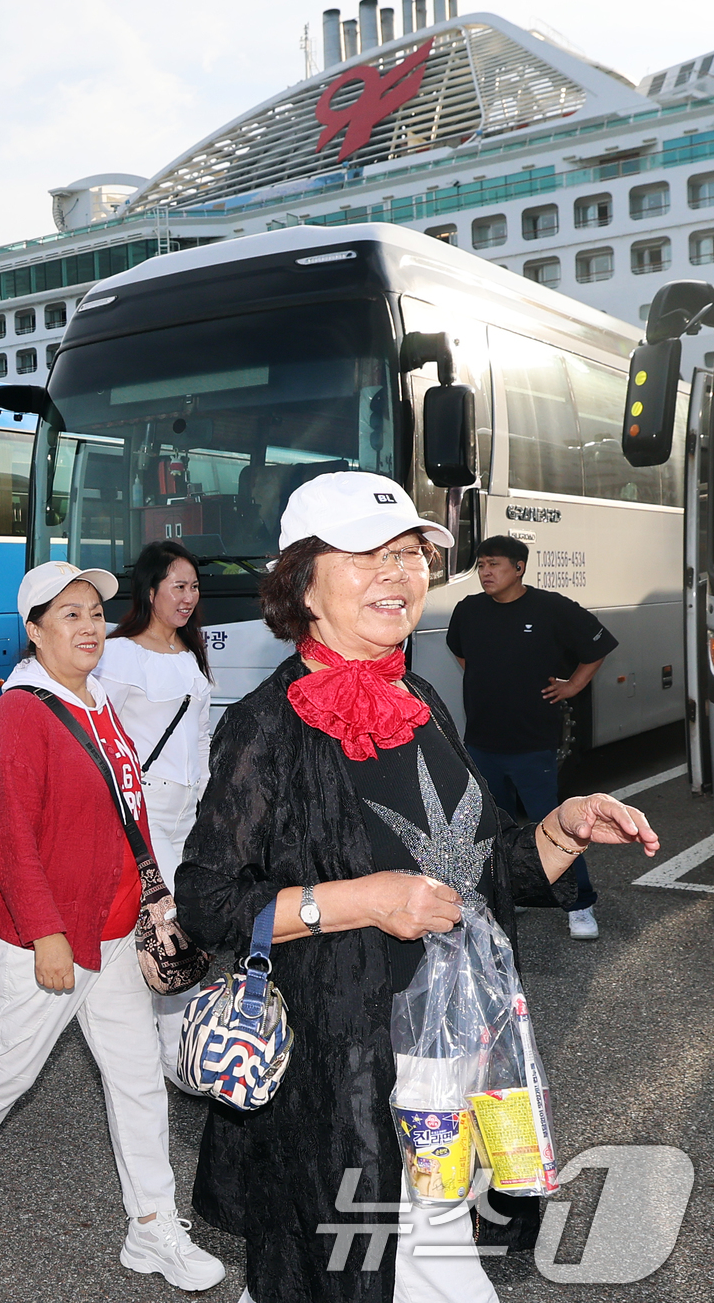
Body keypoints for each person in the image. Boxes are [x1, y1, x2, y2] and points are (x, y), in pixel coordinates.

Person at [174, 472, 659, 1303]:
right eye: (366, 556)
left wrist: (560, 830)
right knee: (356, 1269)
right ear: (303, 583)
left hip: (451, 1056)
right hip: (344, 1077)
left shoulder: (420, 698)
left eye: (408, 555)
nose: (396, 574)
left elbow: (475, 871)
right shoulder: (267, 725)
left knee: (428, 1261)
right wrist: (363, 900)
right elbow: (208, 902)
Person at [0, 560, 226, 1293]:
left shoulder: (97, 699)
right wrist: (46, 932)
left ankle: (153, 1226)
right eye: (70, 614)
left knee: (137, 1078)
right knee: (8, 1065)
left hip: (114, 927)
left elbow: (128, 809)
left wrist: (154, 895)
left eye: (95, 613)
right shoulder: (20, 714)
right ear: (35, 630)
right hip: (44, 937)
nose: (89, 627)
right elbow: (8, 838)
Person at [446, 535, 616, 940]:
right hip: (481, 741)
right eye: (481, 565)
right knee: (491, 828)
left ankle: (580, 905)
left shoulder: (550, 607)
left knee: (556, 827)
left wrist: (574, 685)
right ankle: (512, 894)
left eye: (494, 564)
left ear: (519, 568)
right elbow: (463, 654)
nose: (485, 572)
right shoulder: (468, 609)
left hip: (532, 742)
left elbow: (598, 646)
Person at [96, 540, 214, 1085]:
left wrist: (211, 803)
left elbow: (201, 735)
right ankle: (175, 1058)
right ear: (150, 591)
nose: (189, 597)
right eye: (178, 586)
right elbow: (102, 736)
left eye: (194, 587)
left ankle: (175, 1047)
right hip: (143, 807)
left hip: (190, 811)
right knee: (173, 924)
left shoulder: (190, 653)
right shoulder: (118, 653)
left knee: (177, 921)